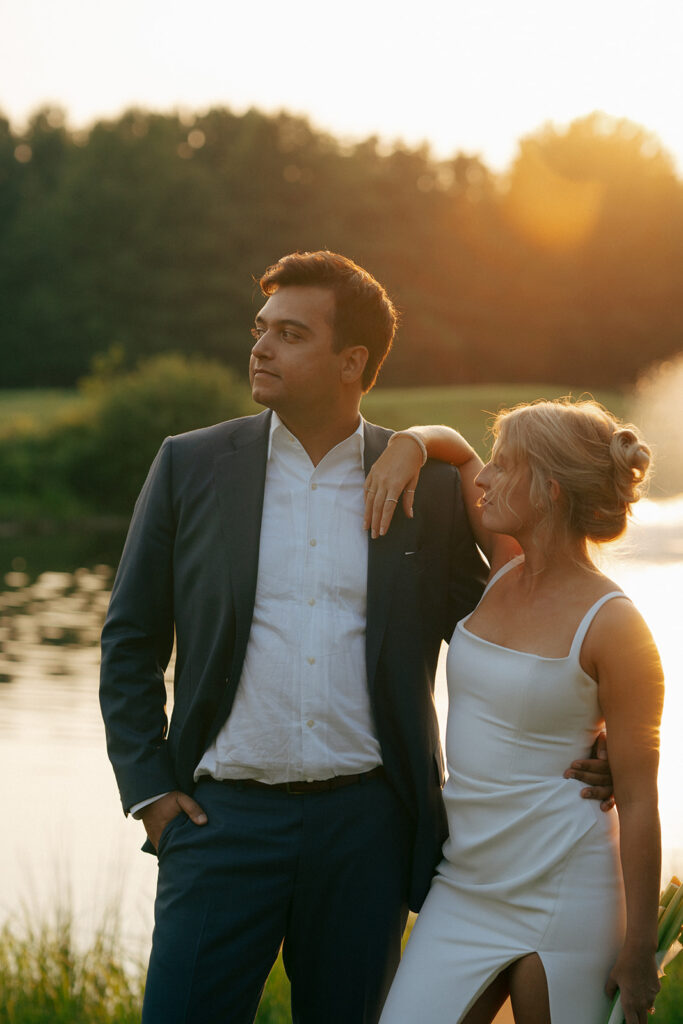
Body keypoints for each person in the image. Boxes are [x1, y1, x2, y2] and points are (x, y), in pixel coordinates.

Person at [100, 251, 612, 1024]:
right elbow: (130, 637)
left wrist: (596, 732)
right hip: (217, 825)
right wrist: (151, 793)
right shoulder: (190, 465)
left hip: (367, 833)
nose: (261, 348)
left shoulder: (426, 490)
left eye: (290, 334)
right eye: (260, 329)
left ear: (352, 362)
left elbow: (509, 633)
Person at [365, 400, 664, 1024]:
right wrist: (412, 442)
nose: (484, 480)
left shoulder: (614, 625)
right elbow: (457, 447)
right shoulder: (504, 567)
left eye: (506, 468)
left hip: (567, 887)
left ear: (548, 490)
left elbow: (638, 800)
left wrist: (639, 948)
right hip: (466, 881)